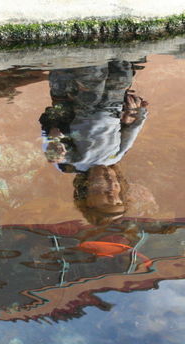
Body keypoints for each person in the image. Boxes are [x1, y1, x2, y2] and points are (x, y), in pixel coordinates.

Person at [39, 60, 148, 225]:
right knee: (122, 76)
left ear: (88, 199)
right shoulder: (115, 157)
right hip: (113, 107)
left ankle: (95, 55)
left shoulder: (75, 164)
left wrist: (55, 141)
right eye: (118, 199)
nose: (113, 193)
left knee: (93, 78)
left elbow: (54, 151)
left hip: (81, 107)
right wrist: (136, 113)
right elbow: (131, 131)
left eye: (106, 200)